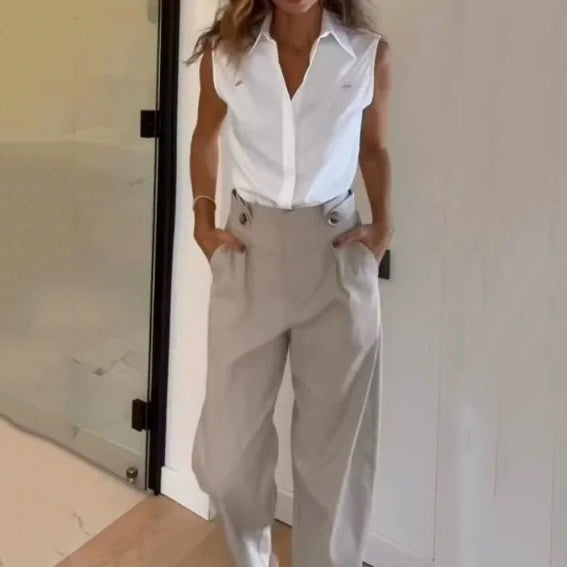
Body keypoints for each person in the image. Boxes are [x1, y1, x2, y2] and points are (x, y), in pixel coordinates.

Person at [187, 0, 392, 564]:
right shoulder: (226, 54)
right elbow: (205, 134)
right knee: (227, 465)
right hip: (248, 253)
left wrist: (384, 225)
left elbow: (373, 149)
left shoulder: (367, 55)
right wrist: (204, 218)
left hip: (334, 257)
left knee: (333, 463)